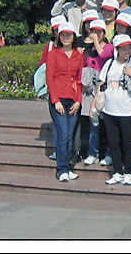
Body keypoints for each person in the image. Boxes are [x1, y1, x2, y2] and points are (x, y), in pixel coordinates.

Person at [96, 34, 131, 185]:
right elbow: (101, 84)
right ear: (117, 50)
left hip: (127, 110)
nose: (127, 52)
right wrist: (94, 106)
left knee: (127, 142)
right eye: (123, 49)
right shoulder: (109, 64)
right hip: (110, 110)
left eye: (128, 49)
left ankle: (128, 171)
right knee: (113, 142)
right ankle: (117, 171)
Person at [45, 22, 84, 181]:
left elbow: (81, 79)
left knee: (70, 135)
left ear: (74, 36)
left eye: (69, 34)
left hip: (73, 99)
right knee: (63, 134)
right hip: (59, 99)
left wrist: (79, 101)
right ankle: (61, 169)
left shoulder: (78, 55)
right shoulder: (53, 54)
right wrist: (56, 100)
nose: (66, 37)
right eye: (63, 35)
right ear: (59, 37)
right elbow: (50, 78)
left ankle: (68, 167)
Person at [80, 19, 114, 166]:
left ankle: (108, 154)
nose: (96, 34)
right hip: (91, 90)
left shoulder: (109, 47)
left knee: (107, 125)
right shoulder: (88, 50)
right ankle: (92, 153)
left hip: (104, 89)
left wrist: (95, 41)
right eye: (93, 31)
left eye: (98, 32)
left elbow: (103, 56)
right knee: (94, 124)